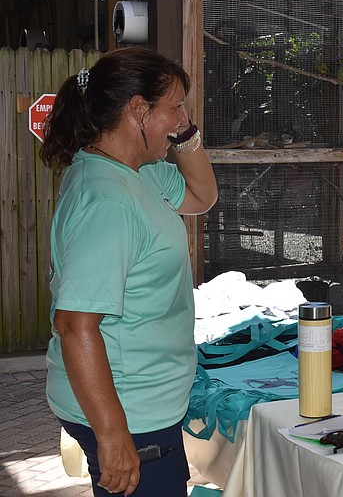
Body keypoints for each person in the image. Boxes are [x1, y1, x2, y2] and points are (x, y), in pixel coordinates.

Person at [39, 48, 218, 497]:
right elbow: (75, 325)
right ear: (138, 109)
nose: (181, 119)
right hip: (129, 412)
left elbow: (201, 197)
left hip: (141, 404)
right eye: (174, 108)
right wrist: (114, 435)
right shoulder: (109, 201)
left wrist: (186, 134)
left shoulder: (139, 174)